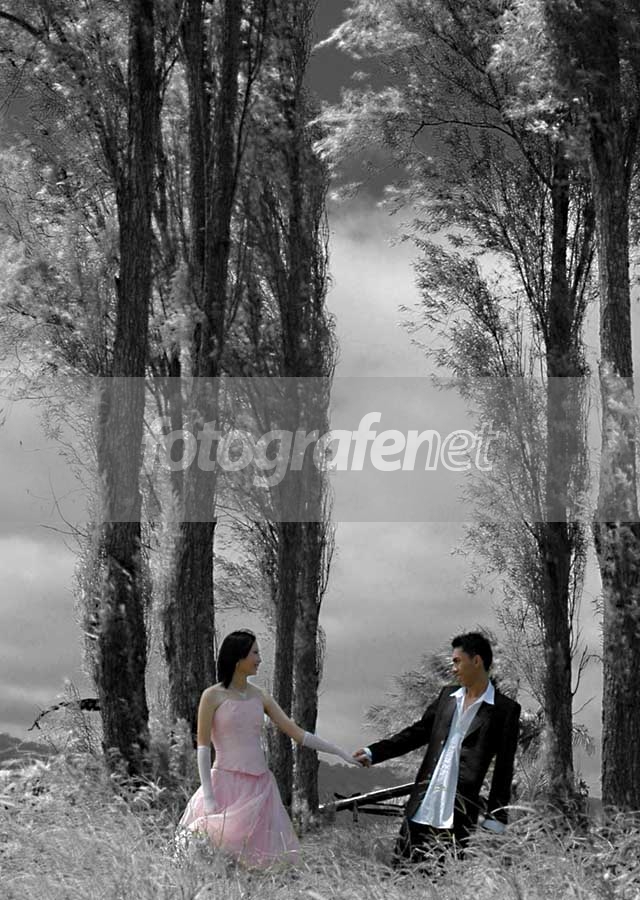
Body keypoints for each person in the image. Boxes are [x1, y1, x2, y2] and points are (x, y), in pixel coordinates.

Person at [179, 629, 360, 868]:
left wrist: (340, 752)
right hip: (224, 786)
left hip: (260, 789)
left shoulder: (260, 696)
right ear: (238, 657)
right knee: (217, 852)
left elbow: (298, 733)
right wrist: (209, 795)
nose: (259, 659)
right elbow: (203, 747)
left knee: (262, 861)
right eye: (254, 653)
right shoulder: (212, 696)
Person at [353, 632, 521, 870]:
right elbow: (415, 734)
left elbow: (504, 770)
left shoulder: (505, 710)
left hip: (458, 816)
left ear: (476, 661)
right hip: (421, 808)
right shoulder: (446, 698)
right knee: (400, 877)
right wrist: (374, 752)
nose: (453, 668)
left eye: (457, 661)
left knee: (445, 882)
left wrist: (496, 821)